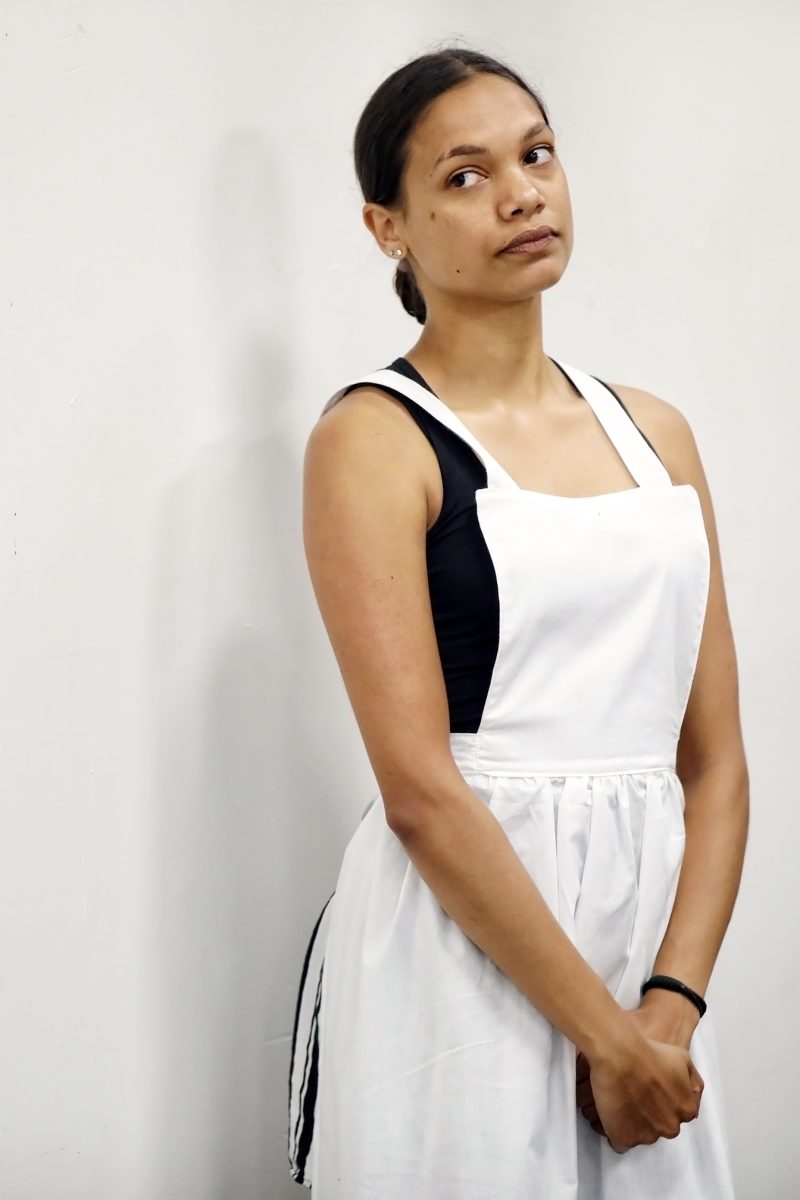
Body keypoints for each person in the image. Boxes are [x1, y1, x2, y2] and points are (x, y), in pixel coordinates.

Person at [287, 45, 749, 1199]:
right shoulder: (375, 439)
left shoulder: (657, 435)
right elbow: (420, 791)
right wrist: (600, 1035)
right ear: (384, 228)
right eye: (463, 175)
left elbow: (714, 763)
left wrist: (667, 1012)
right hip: (463, 957)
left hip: (648, 964)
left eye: (535, 154)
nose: (520, 192)